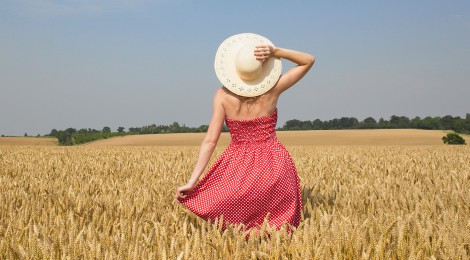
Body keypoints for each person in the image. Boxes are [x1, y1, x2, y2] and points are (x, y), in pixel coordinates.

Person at [175, 33, 315, 232]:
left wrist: (192, 181)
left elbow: (210, 141)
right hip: (274, 164)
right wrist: (276, 52)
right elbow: (308, 60)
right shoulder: (272, 90)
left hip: (237, 165)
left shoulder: (222, 96)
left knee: (240, 224)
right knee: (279, 230)